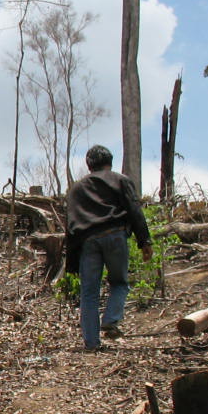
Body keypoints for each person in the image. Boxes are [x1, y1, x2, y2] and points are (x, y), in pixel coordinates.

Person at [64, 144, 152, 352]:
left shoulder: (76, 189)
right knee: (120, 283)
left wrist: (71, 262)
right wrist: (144, 241)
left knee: (89, 293)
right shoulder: (119, 180)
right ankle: (111, 319)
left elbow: (70, 227)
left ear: (89, 165)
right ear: (110, 162)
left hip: (87, 242)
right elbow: (134, 210)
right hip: (115, 235)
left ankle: (91, 344)